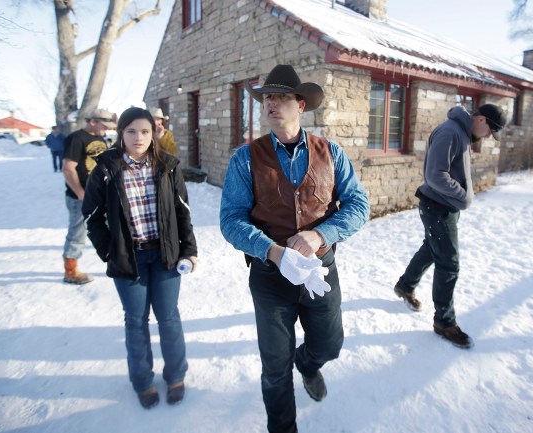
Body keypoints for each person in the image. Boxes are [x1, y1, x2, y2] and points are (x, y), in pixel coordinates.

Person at [220, 64, 370, 433]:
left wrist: (321, 236)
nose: (271, 104)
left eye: (281, 97)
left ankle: (309, 363)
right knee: (274, 367)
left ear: (300, 105)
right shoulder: (245, 158)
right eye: (267, 98)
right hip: (271, 277)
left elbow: (358, 204)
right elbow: (231, 219)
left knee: (331, 343)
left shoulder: (330, 152)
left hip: (320, 271)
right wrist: (271, 250)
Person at [82, 107, 198, 409]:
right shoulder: (106, 168)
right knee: (136, 321)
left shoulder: (168, 166)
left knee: (169, 317)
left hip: (165, 255)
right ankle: (143, 382)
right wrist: (109, 251)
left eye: (145, 131)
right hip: (128, 258)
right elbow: (92, 216)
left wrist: (189, 250)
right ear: (121, 132)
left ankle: (176, 376)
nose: (138, 137)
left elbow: (183, 212)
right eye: (131, 131)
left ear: (153, 133)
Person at [393, 103, 506, 349]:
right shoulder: (451, 132)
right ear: (482, 120)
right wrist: (463, 196)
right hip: (438, 207)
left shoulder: (461, 133)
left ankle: (405, 285)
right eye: (490, 130)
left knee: (432, 249)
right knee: (449, 263)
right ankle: (444, 322)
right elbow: (435, 175)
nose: (488, 136)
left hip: (443, 206)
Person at [61, 108, 116, 284]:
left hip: (101, 196)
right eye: (104, 124)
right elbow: (68, 168)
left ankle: (115, 261)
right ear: (92, 121)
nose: (107, 129)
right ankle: (70, 271)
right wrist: (80, 193)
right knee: (77, 233)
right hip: (81, 198)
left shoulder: (100, 138)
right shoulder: (76, 139)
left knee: (109, 229)